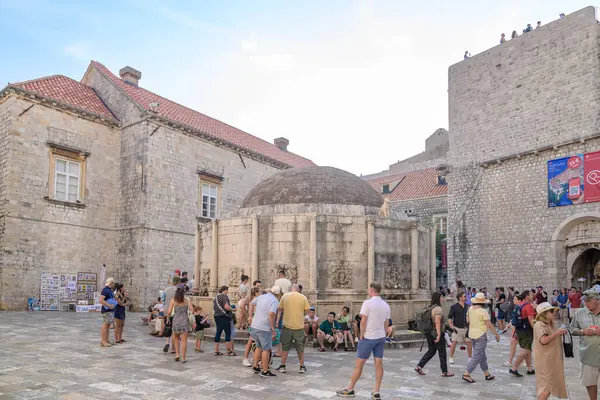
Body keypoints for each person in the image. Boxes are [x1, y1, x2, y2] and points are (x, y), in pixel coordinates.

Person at [336, 282, 390, 399]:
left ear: (372, 290)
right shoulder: (386, 305)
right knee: (379, 364)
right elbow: (386, 323)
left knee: (359, 365)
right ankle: (376, 391)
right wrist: (384, 335)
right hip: (380, 337)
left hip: (368, 337)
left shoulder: (367, 303)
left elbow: (363, 321)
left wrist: (360, 335)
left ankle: (350, 389)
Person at [461, 293, 500, 383]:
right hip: (481, 335)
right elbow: (489, 325)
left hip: (472, 334)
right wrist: (496, 334)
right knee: (477, 356)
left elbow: (468, 320)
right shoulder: (483, 311)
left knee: (482, 355)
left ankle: (487, 374)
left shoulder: (470, 309)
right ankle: (466, 374)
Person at [532, 302, 568, 399]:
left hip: (551, 360)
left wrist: (559, 333)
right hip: (545, 361)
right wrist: (557, 333)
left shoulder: (550, 324)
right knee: (546, 387)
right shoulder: (539, 324)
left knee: (549, 386)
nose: (554, 313)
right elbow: (543, 340)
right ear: (544, 313)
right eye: (552, 311)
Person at [415, 292, 454, 377]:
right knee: (442, 352)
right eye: (441, 297)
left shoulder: (430, 307)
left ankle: (419, 366)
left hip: (429, 333)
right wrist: (439, 335)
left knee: (432, 350)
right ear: (438, 298)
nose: (442, 299)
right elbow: (437, 323)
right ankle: (445, 371)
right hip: (436, 333)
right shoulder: (438, 309)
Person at [570, 288, 600, 400]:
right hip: (589, 355)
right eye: (585, 301)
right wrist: (583, 331)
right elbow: (572, 329)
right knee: (590, 382)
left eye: (589, 301)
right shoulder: (580, 313)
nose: (586, 303)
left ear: (597, 300)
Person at [275, 284, 310, 373]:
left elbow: (280, 310)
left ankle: (283, 366)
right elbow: (307, 311)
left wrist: (277, 321)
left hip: (287, 326)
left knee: (285, 347)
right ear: (298, 290)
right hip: (299, 326)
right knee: (300, 348)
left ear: (291, 289)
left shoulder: (285, 296)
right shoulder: (303, 297)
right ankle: (302, 366)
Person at [250, 286, 282, 378]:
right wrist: (272, 327)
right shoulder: (274, 301)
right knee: (266, 349)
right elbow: (271, 314)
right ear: (278, 294)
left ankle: (255, 366)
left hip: (254, 326)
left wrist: (250, 316)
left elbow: (251, 303)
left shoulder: (261, 296)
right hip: (264, 327)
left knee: (259, 346)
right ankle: (265, 370)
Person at [509, 290, 536, 377]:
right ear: (527, 296)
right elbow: (531, 320)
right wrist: (537, 330)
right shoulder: (528, 306)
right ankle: (514, 368)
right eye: (531, 295)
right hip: (526, 331)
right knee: (525, 350)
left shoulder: (520, 304)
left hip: (519, 330)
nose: (532, 296)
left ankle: (530, 369)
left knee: (527, 349)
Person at [167, 287, 193, 363]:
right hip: (184, 321)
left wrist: (169, 317)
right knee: (184, 341)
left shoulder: (173, 300)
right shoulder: (187, 300)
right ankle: (183, 358)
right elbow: (192, 310)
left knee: (176, 339)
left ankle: (177, 355)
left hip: (176, 321)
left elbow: (169, 312)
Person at [448, 292, 472, 364]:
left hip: (466, 328)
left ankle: (470, 358)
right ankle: (451, 357)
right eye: (464, 296)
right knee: (454, 342)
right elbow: (449, 317)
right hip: (457, 328)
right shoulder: (454, 307)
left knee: (469, 342)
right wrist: (451, 326)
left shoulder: (468, 306)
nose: (466, 297)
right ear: (460, 298)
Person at [213, 285, 236, 356]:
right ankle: (229, 351)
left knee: (218, 332)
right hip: (224, 316)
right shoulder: (224, 296)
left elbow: (215, 307)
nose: (227, 292)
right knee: (227, 333)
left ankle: (216, 350)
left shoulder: (216, 297)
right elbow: (226, 307)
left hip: (217, 316)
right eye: (227, 290)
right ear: (225, 290)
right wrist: (233, 309)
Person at [242, 287, 262, 367]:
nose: (260, 293)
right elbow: (242, 305)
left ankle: (256, 358)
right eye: (259, 292)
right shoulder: (254, 300)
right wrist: (248, 316)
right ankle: (246, 358)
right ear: (256, 293)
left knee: (255, 341)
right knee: (251, 340)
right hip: (254, 322)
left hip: (256, 322)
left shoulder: (256, 299)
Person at [163, 276, 180, 353]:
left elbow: (163, 300)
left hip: (166, 311)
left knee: (167, 327)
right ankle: (173, 348)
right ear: (178, 282)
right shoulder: (178, 290)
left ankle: (167, 342)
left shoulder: (166, 290)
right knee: (174, 330)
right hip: (174, 311)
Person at [99, 278, 116, 347]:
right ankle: (103, 341)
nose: (114, 284)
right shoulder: (105, 290)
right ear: (111, 283)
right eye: (113, 283)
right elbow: (101, 300)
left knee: (108, 325)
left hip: (110, 310)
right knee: (105, 325)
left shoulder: (109, 290)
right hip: (106, 310)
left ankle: (106, 340)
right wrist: (109, 305)